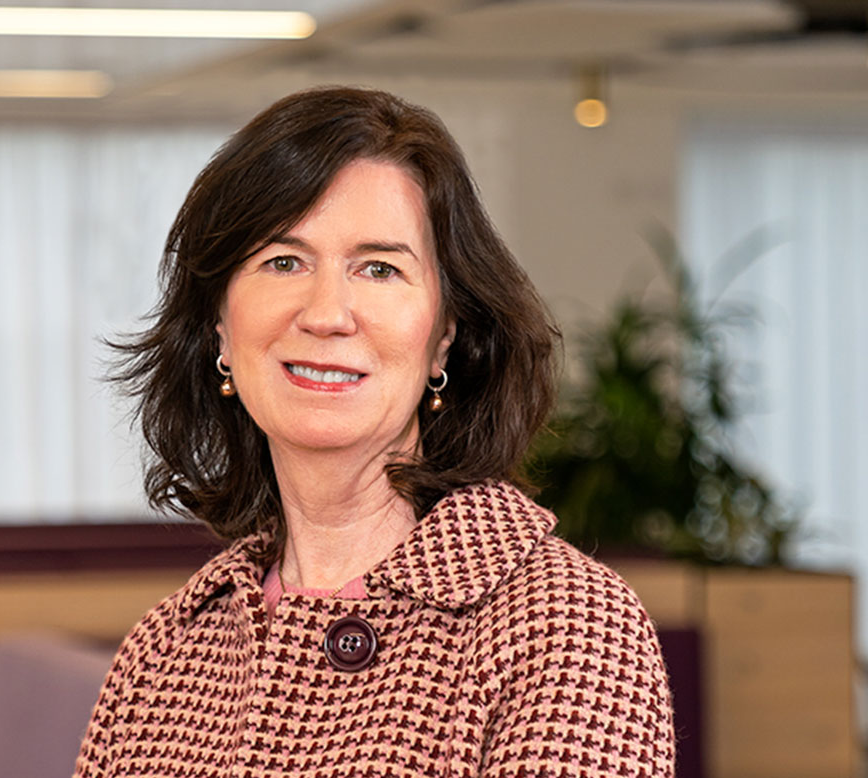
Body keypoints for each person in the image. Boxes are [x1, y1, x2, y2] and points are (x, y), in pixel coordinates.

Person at [75, 86, 675, 777]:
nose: (328, 313)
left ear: (444, 338)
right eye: (283, 261)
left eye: (380, 268)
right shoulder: (167, 651)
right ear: (220, 328)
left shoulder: (566, 628)